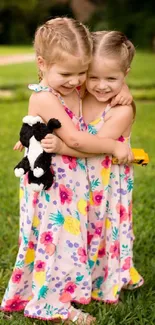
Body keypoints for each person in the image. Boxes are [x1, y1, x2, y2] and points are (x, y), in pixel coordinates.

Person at [1, 18, 133, 324]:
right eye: (67, 74)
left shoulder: (67, 86)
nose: (76, 81)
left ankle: (60, 291)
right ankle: (49, 305)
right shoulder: (44, 97)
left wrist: (122, 85)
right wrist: (113, 146)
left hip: (70, 184)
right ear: (42, 64)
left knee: (66, 242)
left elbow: (107, 70)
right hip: (52, 186)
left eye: (81, 72)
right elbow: (72, 138)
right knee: (57, 240)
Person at [43, 31, 144, 305]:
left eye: (112, 79)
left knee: (101, 228)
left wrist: (61, 148)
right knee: (77, 230)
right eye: (93, 76)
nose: (100, 86)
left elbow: (97, 146)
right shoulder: (76, 92)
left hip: (105, 183)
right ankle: (69, 277)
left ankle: (101, 281)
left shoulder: (121, 110)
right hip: (74, 182)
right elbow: (50, 77)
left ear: (126, 73)